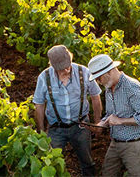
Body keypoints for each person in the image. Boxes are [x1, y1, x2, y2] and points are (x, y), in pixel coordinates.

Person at [33, 45, 102, 176]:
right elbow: (39, 105)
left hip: (81, 126)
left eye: (68, 65)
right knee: (51, 162)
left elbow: (95, 97)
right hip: (56, 128)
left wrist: (97, 122)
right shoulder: (44, 77)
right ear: (52, 65)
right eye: (62, 67)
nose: (66, 69)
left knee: (87, 161)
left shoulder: (84, 72)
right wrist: (41, 131)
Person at [87, 54, 140, 177]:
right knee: (107, 173)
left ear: (109, 72)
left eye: (99, 78)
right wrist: (102, 123)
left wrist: (121, 121)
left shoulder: (131, 87)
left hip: (133, 145)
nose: (98, 82)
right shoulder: (109, 87)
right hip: (115, 143)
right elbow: (111, 114)